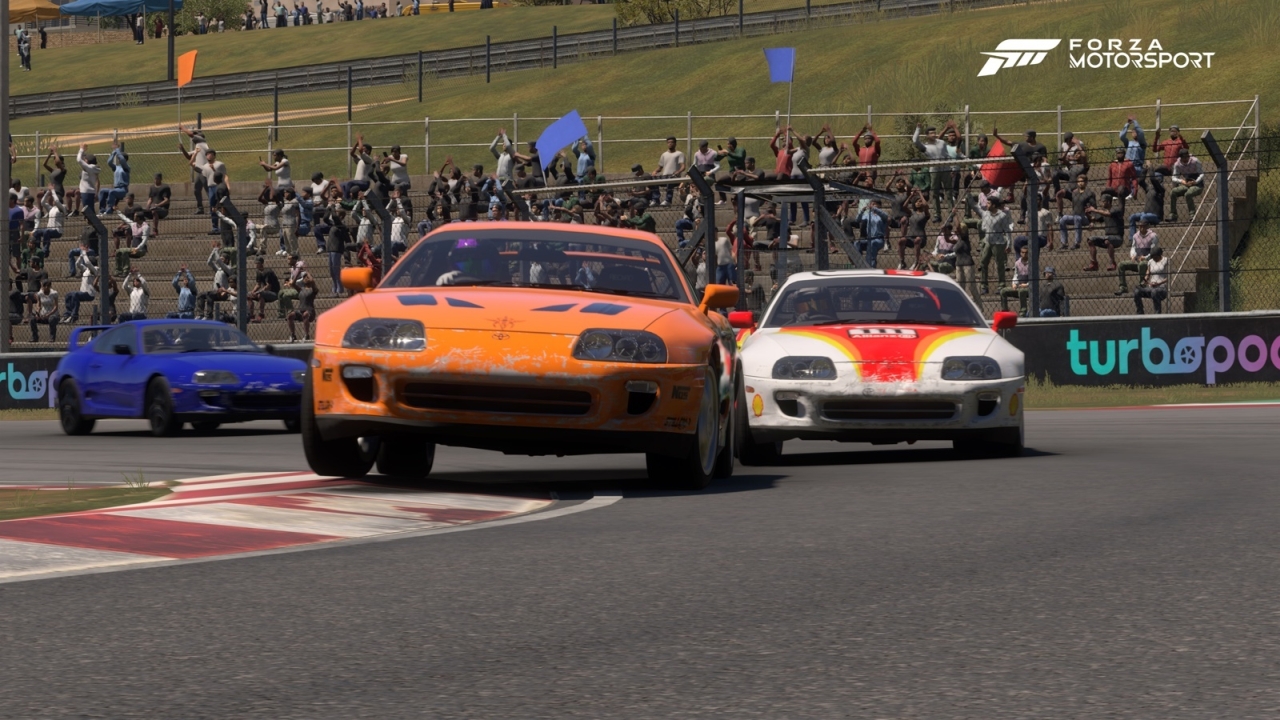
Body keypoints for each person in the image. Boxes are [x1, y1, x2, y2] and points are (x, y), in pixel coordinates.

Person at [977, 197, 1012, 294]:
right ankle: (984, 286)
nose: (986, 205)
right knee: (983, 262)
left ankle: (1001, 285)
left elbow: (1007, 230)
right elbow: (983, 226)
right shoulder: (986, 214)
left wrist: (1009, 244)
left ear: (994, 205)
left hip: (998, 243)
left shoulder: (1002, 216)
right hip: (988, 242)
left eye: (988, 203)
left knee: (1000, 264)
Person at [1117, 219, 1158, 295]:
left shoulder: (1153, 236)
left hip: (1149, 261)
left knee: (1142, 264)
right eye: (1140, 226)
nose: (1141, 228)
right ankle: (1123, 287)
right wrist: (1133, 255)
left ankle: (1142, 284)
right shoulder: (1135, 236)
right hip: (1137, 260)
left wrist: (1145, 257)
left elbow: (1153, 250)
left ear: (1147, 227)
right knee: (1121, 265)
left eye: (1143, 226)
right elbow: (1133, 247)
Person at [1085, 194, 1124, 272]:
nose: (1101, 203)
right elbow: (1094, 219)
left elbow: (1108, 214)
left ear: (1108, 202)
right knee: (1090, 240)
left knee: (1107, 241)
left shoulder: (1116, 210)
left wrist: (1094, 210)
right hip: (1107, 237)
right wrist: (1087, 214)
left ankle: (1112, 263)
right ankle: (1094, 263)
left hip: (1117, 238)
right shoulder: (1104, 213)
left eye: (1103, 201)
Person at [1169, 148, 1204, 222]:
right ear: (1180, 157)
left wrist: (1196, 181)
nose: (1186, 159)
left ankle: (1192, 215)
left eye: (1187, 157)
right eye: (1184, 157)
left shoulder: (1195, 161)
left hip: (1197, 184)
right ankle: (1173, 214)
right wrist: (1182, 181)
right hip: (1186, 184)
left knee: (1188, 194)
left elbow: (1201, 174)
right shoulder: (1177, 164)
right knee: (1173, 192)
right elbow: (1174, 177)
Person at [855, 199, 889, 268]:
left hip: (879, 239)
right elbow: (857, 220)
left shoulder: (882, 215)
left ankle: (870, 266)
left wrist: (874, 208)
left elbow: (885, 216)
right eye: (871, 204)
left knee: (872, 244)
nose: (872, 206)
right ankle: (859, 263)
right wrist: (862, 211)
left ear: (879, 205)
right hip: (868, 239)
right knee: (857, 243)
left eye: (874, 204)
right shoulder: (868, 215)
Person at [1133, 247, 1169, 314]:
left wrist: (1158, 283)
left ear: (1160, 255)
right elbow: (1148, 273)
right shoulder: (1151, 261)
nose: (1154, 259)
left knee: (1154, 292)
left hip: (1162, 288)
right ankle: (1140, 312)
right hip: (1151, 287)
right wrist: (1145, 280)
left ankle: (1157, 314)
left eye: (1156, 257)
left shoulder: (1166, 260)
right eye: (1153, 257)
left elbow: (1169, 277)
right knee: (1137, 291)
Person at [999, 246, 1032, 316]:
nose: (1024, 254)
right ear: (1020, 253)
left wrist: (1027, 284)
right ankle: (1005, 310)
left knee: (1022, 291)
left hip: (1029, 288)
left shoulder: (1032, 263)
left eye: (1026, 253)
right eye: (1023, 252)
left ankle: (1023, 312)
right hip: (1019, 285)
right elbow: (1016, 275)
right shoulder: (1017, 263)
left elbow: (1035, 277)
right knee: (1003, 291)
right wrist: (1014, 283)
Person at [247, 256, 281, 322]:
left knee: (260, 294)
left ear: (261, 263)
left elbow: (268, 286)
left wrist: (257, 292)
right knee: (249, 295)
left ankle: (261, 314)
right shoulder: (258, 272)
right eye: (256, 263)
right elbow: (258, 284)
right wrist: (253, 292)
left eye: (258, 263)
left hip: (274, 293)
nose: (256, 265)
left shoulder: (268, 272)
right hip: (265, 292)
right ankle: (251, 315)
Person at [286, 273, 317, 342]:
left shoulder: (313, 290)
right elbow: (292, 284)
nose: (306, 278)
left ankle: (306, 335)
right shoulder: (301, 289)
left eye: (307, 277)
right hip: (300, 311)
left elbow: (312, 281)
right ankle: (293, 335)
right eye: (304, 278)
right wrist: (298, 273)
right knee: (290, 316)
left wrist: (308, 273)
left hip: (310, 312)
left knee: (305, 314)